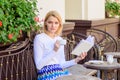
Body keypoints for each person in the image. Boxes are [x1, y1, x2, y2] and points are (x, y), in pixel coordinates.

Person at [33, 10, 87, 80]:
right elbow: (39, 66)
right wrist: (54, 51)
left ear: (59, 25)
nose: (53, 26)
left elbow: (61, 64)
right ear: (45, 23)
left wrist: (77, 59)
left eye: (56, 23)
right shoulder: (39, 38)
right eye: (50, 22)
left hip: (60, 71)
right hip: (46, 74)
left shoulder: (59, 39)